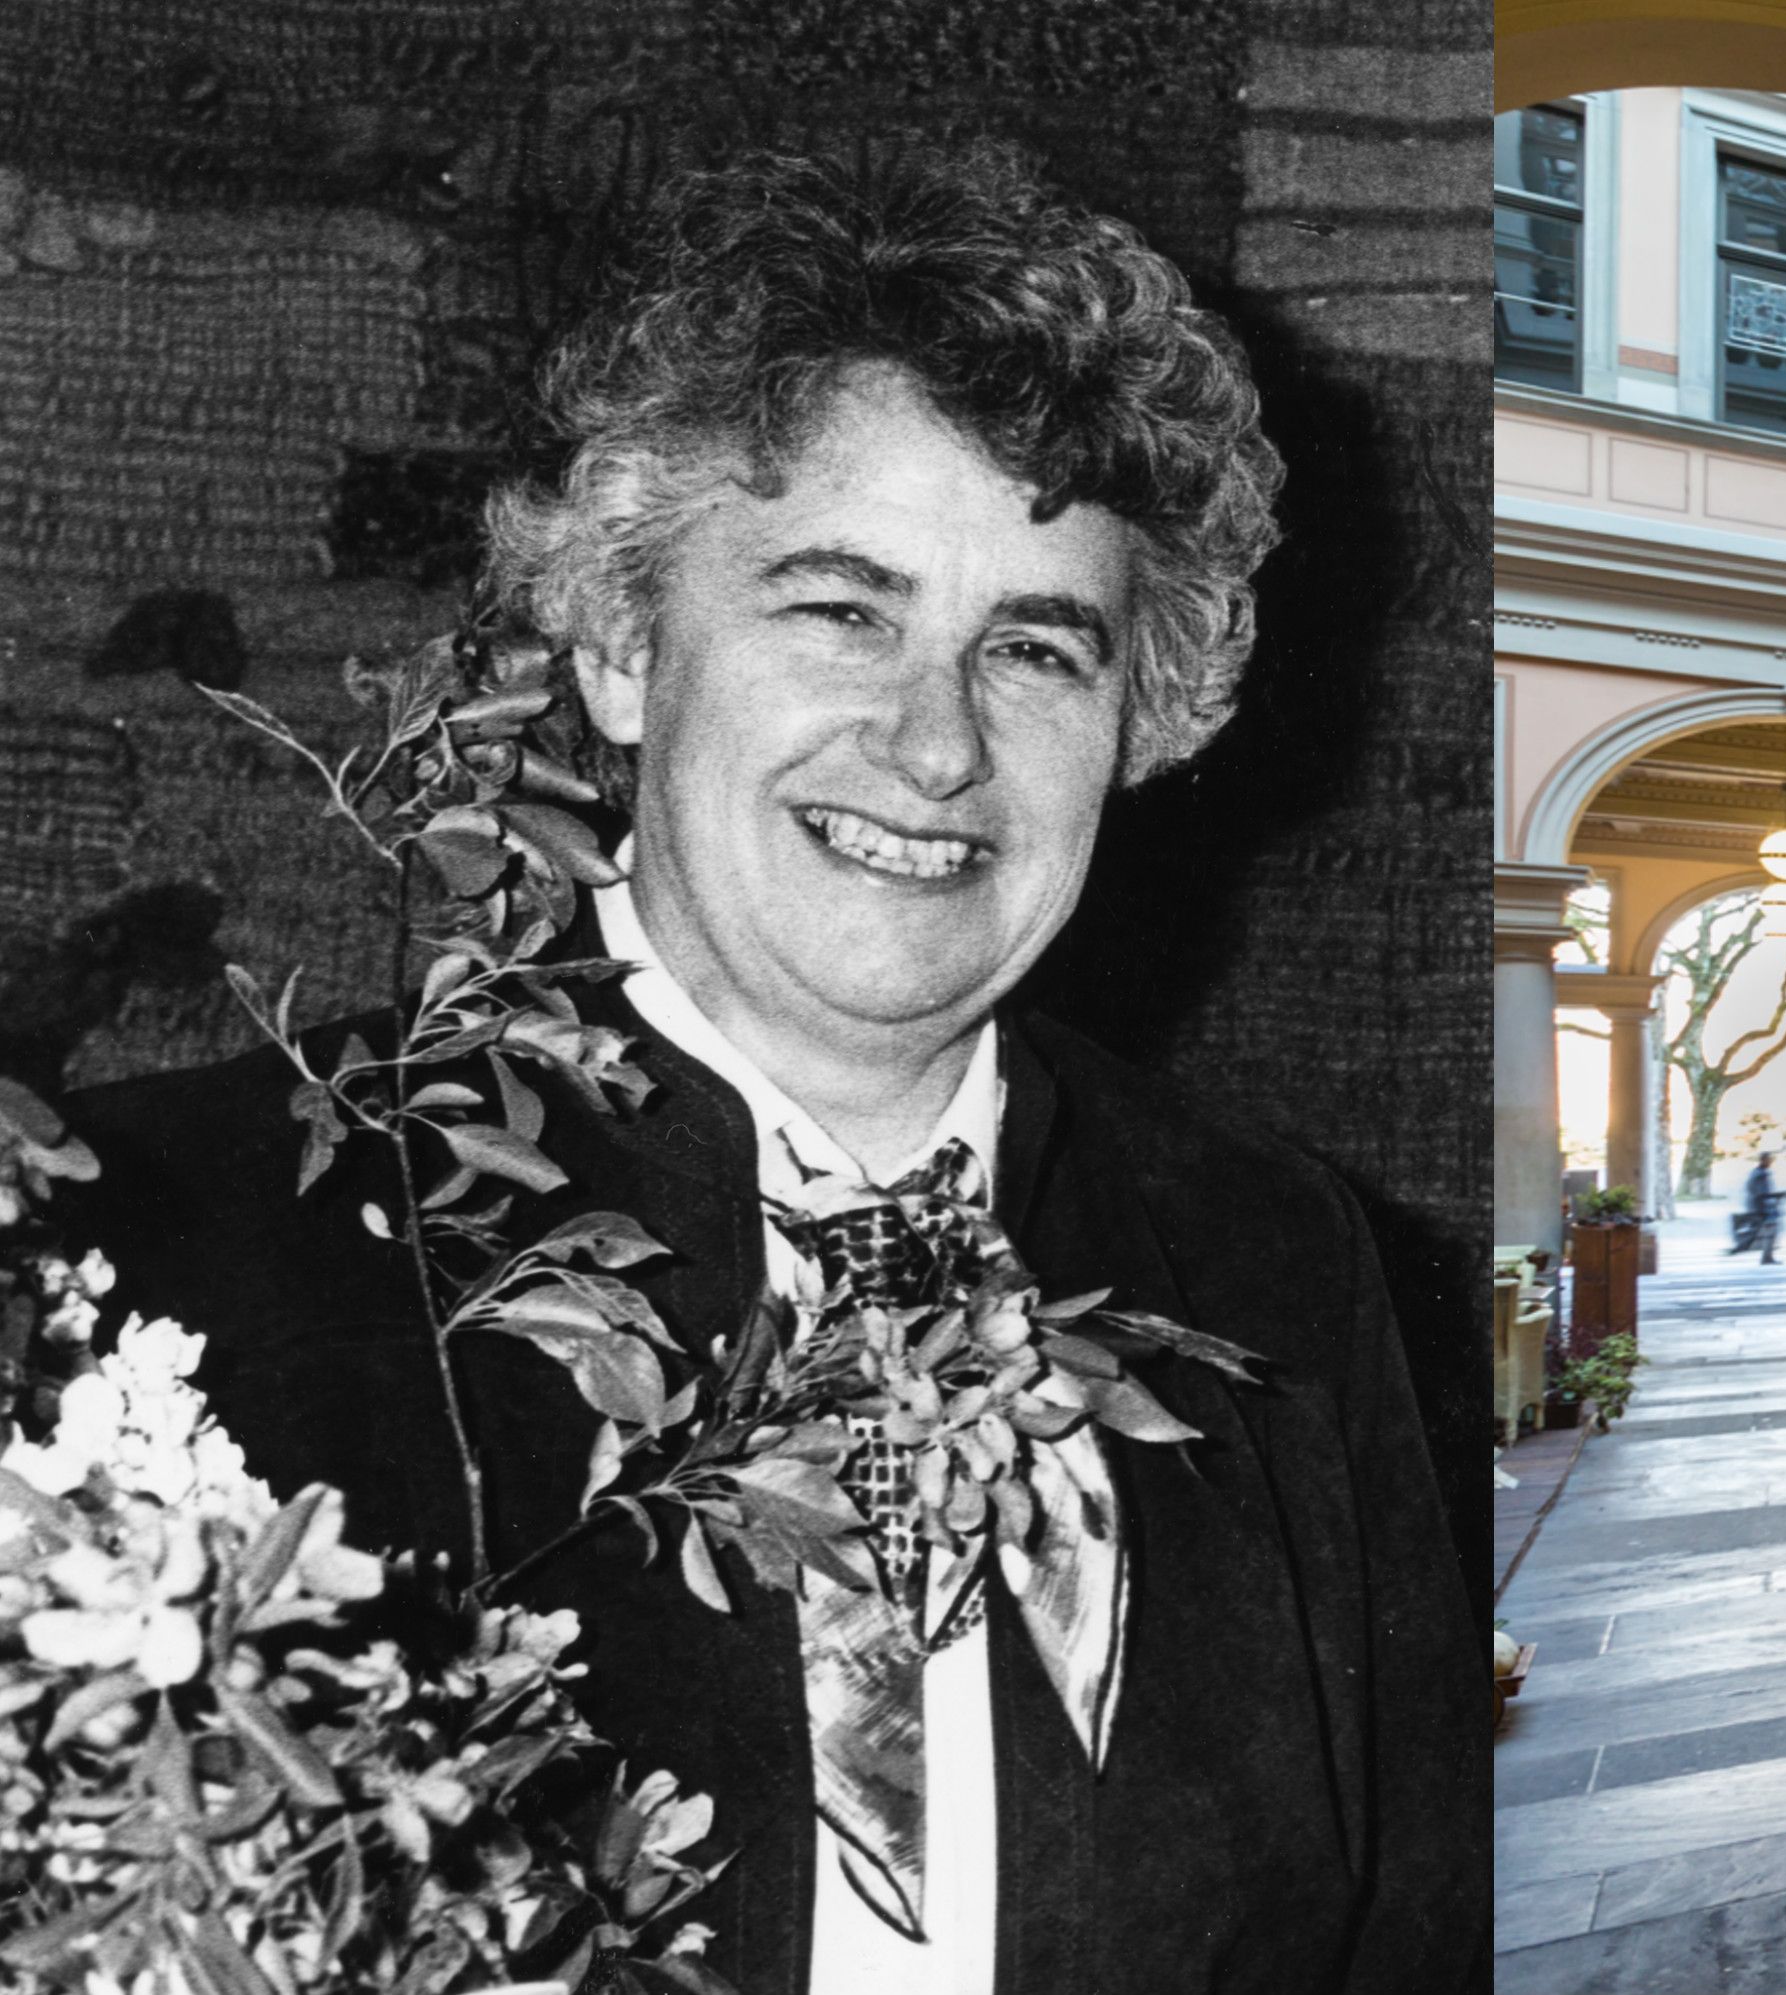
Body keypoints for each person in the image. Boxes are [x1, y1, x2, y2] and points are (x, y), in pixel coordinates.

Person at [55, 145, 1480, 1994]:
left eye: (1035, 649)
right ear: (622, 644)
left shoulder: (1273, 1256)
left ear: (1138, 724)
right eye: (841, 608)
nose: (937, 743)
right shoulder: (165, 1247)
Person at [1731, 1151, 1782, 1264]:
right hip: (1761, 1208)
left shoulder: (1759, 1173)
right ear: (1763, 1160)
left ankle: (1766, 1257)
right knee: (1768, 1233)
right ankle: (1764, 1257)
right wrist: (1776, 1196)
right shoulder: (1760, 1175)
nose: (1770, 1162)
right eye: (1768, 1160)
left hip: (1759, 1207)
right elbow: (1761, 1193)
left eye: (1771, 1160)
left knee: (1766, 1233)